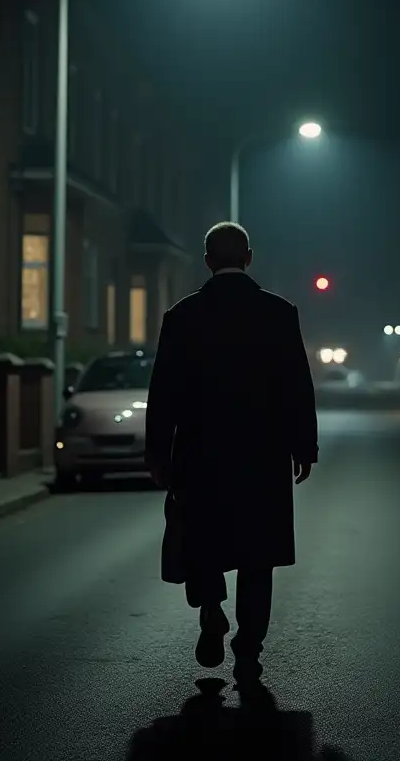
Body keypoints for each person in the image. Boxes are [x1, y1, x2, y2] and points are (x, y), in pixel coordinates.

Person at [145, 221, 319, 685]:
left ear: (206, 260)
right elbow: (297, 386)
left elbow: (164, 392)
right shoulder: (279, 314)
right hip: (263, 455)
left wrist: (158, 453)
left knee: (203, 541)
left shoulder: (182, 317)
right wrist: (305, 446)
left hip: (200, 454)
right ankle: (248, 647)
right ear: (249, 257)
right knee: (257, 555)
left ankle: (211, 611)